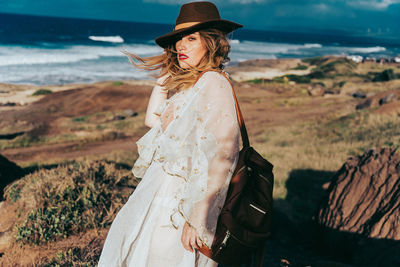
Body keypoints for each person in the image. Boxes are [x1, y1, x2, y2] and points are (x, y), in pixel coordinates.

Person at [98, 1, 243, 266]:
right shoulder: (195, 85)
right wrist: (166, 73)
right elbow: (153, 120)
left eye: (191, 38)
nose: (180, 46)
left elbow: (225, 153)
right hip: (166, 200)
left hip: (185, 206)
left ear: (211, 42)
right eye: (178, 40)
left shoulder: (214, 82)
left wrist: (198, 220)